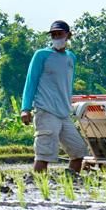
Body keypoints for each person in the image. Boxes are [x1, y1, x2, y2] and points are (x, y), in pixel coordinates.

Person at [20, 20, 89, 174]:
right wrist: (25, 108)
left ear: (68, 35)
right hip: (46, 111)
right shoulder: (42, 55)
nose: (57, 37)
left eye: (60, 34)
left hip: (64, 113)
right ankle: (38, 186)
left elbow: (67, 85)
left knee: (79, 152)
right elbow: (31, 82)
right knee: (44, 154)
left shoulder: (71, 58)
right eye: (54, 34)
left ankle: (70, 183)